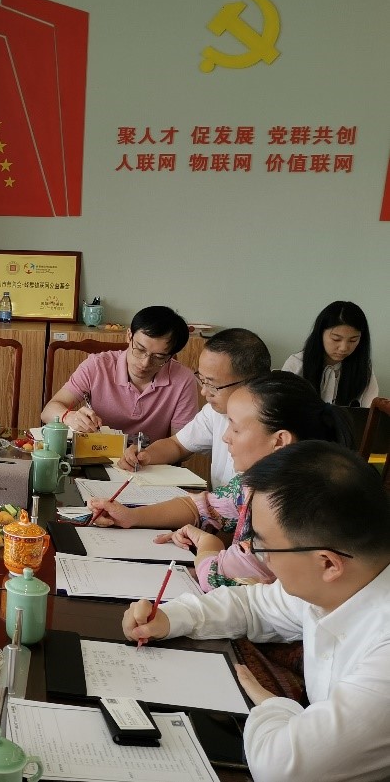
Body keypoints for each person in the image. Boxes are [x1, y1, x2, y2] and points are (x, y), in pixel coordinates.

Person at [123, 441, 390, 782]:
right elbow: (252, 605)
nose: (256, 554)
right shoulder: (343, 583)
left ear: (327, 563)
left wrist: (274, 705)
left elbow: (281, 768)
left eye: (262, 544)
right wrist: (170, 618)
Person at [91, 372, 353, 590]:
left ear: (280, 441)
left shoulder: (288, 505)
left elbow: (218, 578)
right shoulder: (256, 482)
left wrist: (208, 545)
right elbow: (201, 506)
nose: (226, 437)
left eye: (236, 428)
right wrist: (131, 516)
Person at [117, 328, 271, 488]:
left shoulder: (271, 428)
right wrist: (146, 455)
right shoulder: (214, 411)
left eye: (213, 385)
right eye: (202, 380)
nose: (204, 392)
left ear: (252, 382)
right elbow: (178, 445)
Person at [41, 305, 197, 443]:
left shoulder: (183, 380)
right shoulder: (98, 365)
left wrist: (146, 456)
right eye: (140, 349)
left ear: (171, 355)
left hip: (150, 460)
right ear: (129, 336)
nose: (144, 363)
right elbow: (48, 411)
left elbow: (182, 445)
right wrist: (69, 417)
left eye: (159, 357)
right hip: (96, 454)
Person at [282, 300, 378, 407]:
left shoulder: (363, 369)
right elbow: (280, 407)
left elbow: (369, 410)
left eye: (353, 340)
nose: (343, 348)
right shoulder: (297, 364)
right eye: (336, 339)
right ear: (320, 334)